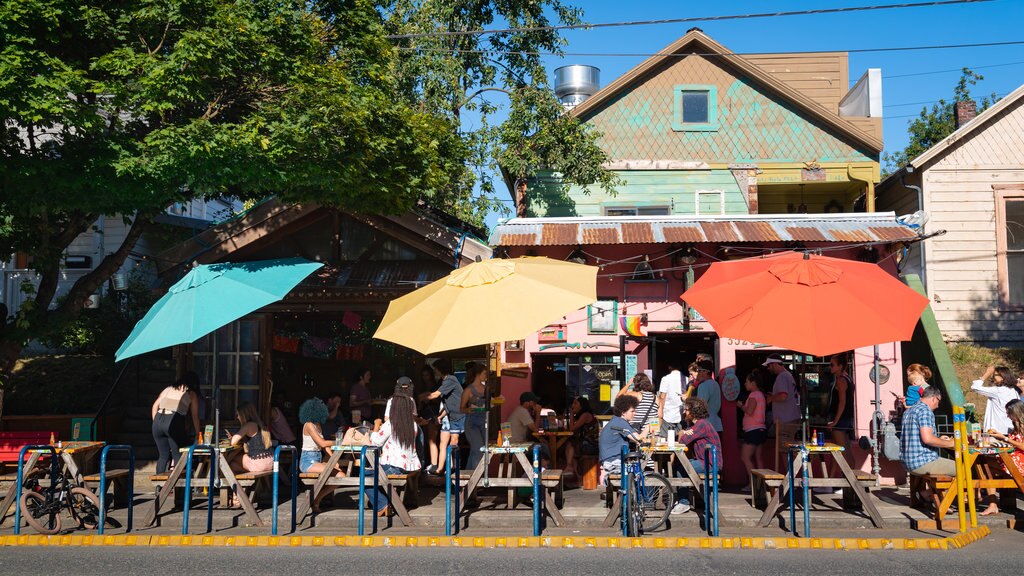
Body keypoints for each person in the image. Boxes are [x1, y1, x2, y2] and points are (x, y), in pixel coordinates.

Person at [368, 395, 421, 517]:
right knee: (376, 474)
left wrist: (377, 424)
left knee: (365, 476)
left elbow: (374, 443)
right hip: (410, 466)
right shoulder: (413, 424)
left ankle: (382, 504)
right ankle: (386, 503)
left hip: (394, 467)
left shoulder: (391, 423)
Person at [672, 396, 722, 515]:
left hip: (710, 463)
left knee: (680, 468)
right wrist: (683, 432)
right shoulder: (700, 425)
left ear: (694, 411)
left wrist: (682, 433)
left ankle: (684, 502)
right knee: (680, 465)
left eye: (687, 409)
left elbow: (682, 442)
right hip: (706, 461)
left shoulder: (701, 425)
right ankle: (687, 500)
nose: (685, 412)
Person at [298, 397, 346, 512]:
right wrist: (339, 442)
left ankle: (318, 498)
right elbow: (322, 442)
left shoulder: (318, 424)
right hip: (308, 462)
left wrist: (333, 460)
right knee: (331, 470)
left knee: (341, 476)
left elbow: (325, 447)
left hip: (317, 459)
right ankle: (314, 501)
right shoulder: (309, 425)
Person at [900, 387, 955, 485]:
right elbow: (928, 439)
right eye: (939, 401)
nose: (938, 406)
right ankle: (929, 494)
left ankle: (929, 494)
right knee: (963, 468)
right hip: (922, 461)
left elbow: (917, 437)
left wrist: (938, 439)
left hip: (906, 461)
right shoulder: (925, 411)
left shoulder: (909, 410)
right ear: (934, 398)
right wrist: (950, 443)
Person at [151, 371, 202, 473]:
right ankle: (178, 486)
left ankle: (159, 486)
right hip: (173, 421)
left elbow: (154, 406)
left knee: (163, 455)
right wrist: (198, 434)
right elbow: (195, 416)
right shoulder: (191, 393)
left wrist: (156, 422)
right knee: (177, 454)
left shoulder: (168, 389)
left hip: (157, 421)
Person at [419, 359, 463, 475]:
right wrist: (441, 415)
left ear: (440, 369)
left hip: (456, 416)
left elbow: (435, 395)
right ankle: (439, 469)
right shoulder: (445, 381)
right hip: (448, 415)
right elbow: (447, 403)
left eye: (435, 369)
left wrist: (421, 398)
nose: (435, 371)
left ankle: (452, 469)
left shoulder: (450, 379)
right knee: (443, 443)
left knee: (453, 442)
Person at [599, 394, 644, 485]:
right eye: (632, 411)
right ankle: (630, 497)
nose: (634, 413)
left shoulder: (616, 420)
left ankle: (626, 497)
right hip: (614, 462)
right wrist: (649, 426)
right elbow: (638, 439)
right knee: (639, 473)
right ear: (623, 412)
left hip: (609, 460)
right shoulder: (620, 422)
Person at [737, 369, 767, 491]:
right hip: (761, 429)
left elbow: (749, 411)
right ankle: (762, 485)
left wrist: (740, 406)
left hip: (753, 430)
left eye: (747, 382)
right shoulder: (761, 395)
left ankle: (753, 484)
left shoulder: (754, 395)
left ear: (753, 383)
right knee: (758, 458)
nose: (745, 384)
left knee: (745, 457)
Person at [972, 366, 1019, 435]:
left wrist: (987, 374)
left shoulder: (998, 391)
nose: (993, 377)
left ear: (1002, 376)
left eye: (994, 375)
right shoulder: (1014, 391)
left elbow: (975, 387)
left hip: (996, 431)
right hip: (1009, 429)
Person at [228, 403, 273, 474]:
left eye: (238, 415)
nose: (237, 417)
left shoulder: (248, 425)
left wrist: (232, 437)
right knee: (232, 465)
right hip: (270, 462)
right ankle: (256, 485)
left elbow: (233, 442)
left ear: (243, 415)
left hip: (259, 464)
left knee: (229, 461)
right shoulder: (261, 424)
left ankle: (233, 485)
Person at [460, 364, 489, 470]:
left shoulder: (487, 389)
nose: (486, 376)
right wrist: (469, 409)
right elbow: (461, 408)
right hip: (472, 422)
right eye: (485, 373)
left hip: (484, 421)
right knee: (478, 449)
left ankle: (469, 477)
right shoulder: (469, 390)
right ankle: (477, 478)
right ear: (478, 374)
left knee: (478, 450)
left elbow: (490, 405)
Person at [563, 396, 598, 481]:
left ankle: (569, 467)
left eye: (575, 403)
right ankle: (577, 477)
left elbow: (572, 428)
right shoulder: (581, 416)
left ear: (581, 405)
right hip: (585, 443)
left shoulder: (586, 415)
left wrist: (571, 414)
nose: (573, 406)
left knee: (571, 446)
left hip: (591, 445)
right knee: (570, 445)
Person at [988, 399, 1024, 481]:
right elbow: (1013, 442)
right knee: (986, 463)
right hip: (1013, 455)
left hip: (1020, 460)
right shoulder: (1017, 425)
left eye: (1009, 413)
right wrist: (999, 436)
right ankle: (994, 493)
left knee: (988, 463)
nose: (1008, 416)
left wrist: (1005, 438)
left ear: (1016, 412)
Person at [417, 365, 442, 472]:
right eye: (423, 375)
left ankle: (434, 464)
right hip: (424, 414)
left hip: (433, 415)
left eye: (427, 375)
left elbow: (437, 400)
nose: (425, 377)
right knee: (426, 440)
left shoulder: (435, 386)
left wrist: (428, 398)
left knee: (432, 440)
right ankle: (429, 463)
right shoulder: (423, 387)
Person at [764, 354, 800, 424]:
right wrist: (774, 395)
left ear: (774, 364)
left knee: (784, 435)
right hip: (792, 417)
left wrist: (771, 398)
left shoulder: (782, 376)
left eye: (768, 365)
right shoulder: (788, 375)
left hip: (785, 420)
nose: (768, 368)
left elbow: (783, 396)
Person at [657, 357, 685, 436]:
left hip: (667, 414)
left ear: (669, 367)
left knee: (666, 441)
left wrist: (660, 413)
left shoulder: (666, 379)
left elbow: (662, 397)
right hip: (681, 415)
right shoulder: (686, 379)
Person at [693, 361, 723, 432]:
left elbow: (700, 406)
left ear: (705, 371)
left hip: (705, 425)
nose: (697, 374)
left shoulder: (704, 385)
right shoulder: (715, 384)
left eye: (699, 371)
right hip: (716, 424)